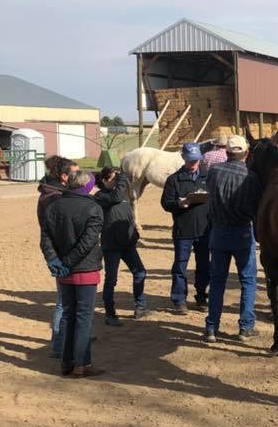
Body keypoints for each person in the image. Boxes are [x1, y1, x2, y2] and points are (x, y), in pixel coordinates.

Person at [40, 170, 103, 378]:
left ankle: (66, 362)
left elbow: (45, 238)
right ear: (86, 187)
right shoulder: (93, 208)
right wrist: (66, 263)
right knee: (83, 318)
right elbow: (88, 242)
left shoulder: (53, 206)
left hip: (62, 271)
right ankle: (81, 364)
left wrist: (55, 261)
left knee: (68, 316)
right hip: (84, 269)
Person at [204, 134, 261, 342]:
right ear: (246, 153)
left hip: (218, 231)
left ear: (226, 152)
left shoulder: (214, 171)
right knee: (247, 280)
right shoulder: (251, 176)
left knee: (217, 281)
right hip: (242, 231)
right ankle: (245, 327)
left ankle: (211, 327)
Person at [94, 167, 149, 324]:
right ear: (104, 181)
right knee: (111, 280)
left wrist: (134, 233)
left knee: (140, 272)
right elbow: (116, 197)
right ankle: (110, 314)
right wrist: (123, 177)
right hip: (111, 246)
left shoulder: (121, 195)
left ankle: (140, 306)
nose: (117, 181)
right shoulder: (100, 196)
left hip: (127, 244)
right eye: (114, 178)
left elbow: (128, 214)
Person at [161, 142, 210, 314]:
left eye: (196, 160)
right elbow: (165, 203)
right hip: (183, 229)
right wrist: (178, 204)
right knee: (180, 266)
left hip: (205, 230)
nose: (193, 163)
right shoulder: (173, 180)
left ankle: (202, 297)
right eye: (190, 160)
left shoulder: (208, 177)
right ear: (183, 158)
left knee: (204, 266)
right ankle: (179, 300)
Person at [37, 155, 78, 357]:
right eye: (75, 173)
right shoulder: (54, 197)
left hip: (60, 251)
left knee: (68, 300)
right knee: (63, 301)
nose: (77, 177)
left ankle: (72, 336)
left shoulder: (53, 193)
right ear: (63, 176)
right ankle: (58, 344)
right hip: (61, 253)